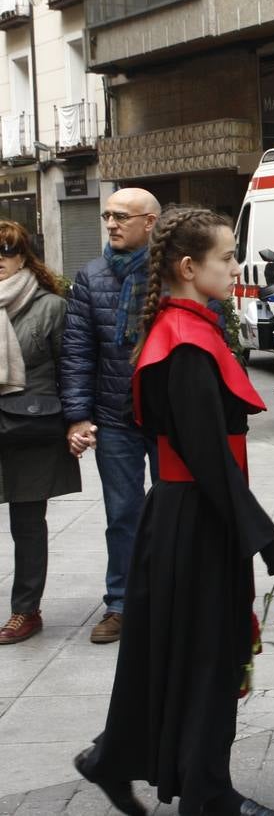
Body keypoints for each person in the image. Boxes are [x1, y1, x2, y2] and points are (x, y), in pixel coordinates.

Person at [75, 207, 274, 816]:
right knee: (208, 653)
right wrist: (266, 537)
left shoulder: (183, 330)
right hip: (197, 515)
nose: (234, 267)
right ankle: (208, 795)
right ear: (188, 266)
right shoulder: (187, 343)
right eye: (226, 257)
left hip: (186, 513)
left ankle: (112, 759)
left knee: (168, 648)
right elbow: (207, 459)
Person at [61, 187, 163, 644]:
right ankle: (120, 604)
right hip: (115, 417)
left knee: (174, 511)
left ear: (151, 223)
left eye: (122, 216)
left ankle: (172, 599)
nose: (110, 224)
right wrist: (78, 417)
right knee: (122, 513)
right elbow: (78, 352)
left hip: (170, 418)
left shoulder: (178, 271)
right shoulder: (91, 276)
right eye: (107, 216)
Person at [0, 222, 81, 644]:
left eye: (6, 251)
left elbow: (69, 369)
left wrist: (76, 422)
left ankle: (25, 610)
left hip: (29, 426)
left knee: (27, 523)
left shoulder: (49, 306)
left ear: (23, 257)